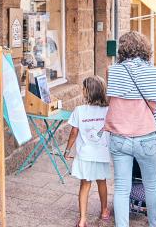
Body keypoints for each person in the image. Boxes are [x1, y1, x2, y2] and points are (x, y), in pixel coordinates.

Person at [105, 31, 156, 227]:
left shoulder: (112, 71)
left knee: (122, 189)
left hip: (119, 137)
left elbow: (111, 101)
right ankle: (153, 224)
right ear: (145, 49)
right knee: (151, 186)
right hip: (146, 137)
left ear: (122, 49)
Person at [63, 76, 111, 227]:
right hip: (102, 153)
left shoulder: (79, 110)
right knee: (102, 182)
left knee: (85, 185)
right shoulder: (108, 110)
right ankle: (104, 211)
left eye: (83, 88)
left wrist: (67, 150)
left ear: (87, 92)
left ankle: (83, 219)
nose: (82, 91)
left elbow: (73, 133)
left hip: (85, 155)